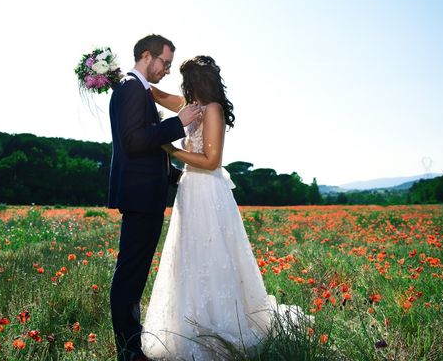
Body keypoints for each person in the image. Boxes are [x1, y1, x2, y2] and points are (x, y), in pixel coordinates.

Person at [141, 55, 311, 360]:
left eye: (185, 80)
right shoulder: (190, 106)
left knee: (213, 253)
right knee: (189, 255)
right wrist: (121, 78)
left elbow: (211, 161)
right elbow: (158, 95)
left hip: (207, 190)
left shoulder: (214, 110)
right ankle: (192, 322)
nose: (181, 85)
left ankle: (221, 322)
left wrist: (169, 148)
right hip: (190, 191)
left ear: (195, 81)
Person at [108, 35, 202, 361]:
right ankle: (129, 350)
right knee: (130, 275)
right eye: (164, 63)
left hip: (146, 194)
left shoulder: (138, 90)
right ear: (146, 56)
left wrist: (177, 176)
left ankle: (131, 345)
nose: (166, 70)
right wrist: (179, 123)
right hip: (139, 196)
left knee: (134, 275)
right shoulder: (130, 90)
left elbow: (148, 147)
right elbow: (134, 141)